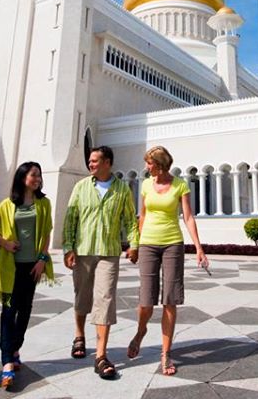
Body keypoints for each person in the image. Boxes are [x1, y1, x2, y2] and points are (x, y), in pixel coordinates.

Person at [126, 146, 208, 376]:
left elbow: (188, 217)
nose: (146, 167)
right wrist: (135, 244)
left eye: (149, 163)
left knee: (170, 299)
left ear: (160, 164)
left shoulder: (180, 185)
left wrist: (199, 248)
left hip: (172, 243)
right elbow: (142, 215)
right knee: (146, 300)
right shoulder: (145, 185)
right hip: (148, 244)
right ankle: (141, 331)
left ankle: (165, 353)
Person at [62, 145, 139, 380]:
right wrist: (68, 247)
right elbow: (71, 219)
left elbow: (130, 220)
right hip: (83, 250)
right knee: (82, 295)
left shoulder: (122, 189)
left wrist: (134, 244)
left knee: (105, 298)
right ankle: (79, 335)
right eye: (89, 161)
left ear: (107, 163)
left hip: (108, 252)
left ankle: (101, 355)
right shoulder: (81, 187)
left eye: (95, 161)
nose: (90, 164)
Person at [0, 161, 55, 389]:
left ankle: (15, 348)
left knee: (25, 310)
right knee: (8, 311)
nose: (37, 179)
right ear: (23, 177)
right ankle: (7, 361)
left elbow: (46, 233)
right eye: (33, 175)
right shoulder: (7, 205)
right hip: (10, 267)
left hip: (32, 267)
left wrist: (42, 260)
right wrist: (5, 243)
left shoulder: (43, 204)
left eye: (39, 175)